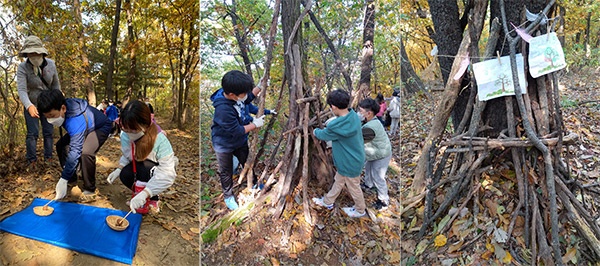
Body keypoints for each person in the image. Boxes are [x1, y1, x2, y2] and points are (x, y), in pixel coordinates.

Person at [37, 89, 112, 202]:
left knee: (85, 152)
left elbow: (75, 150)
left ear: (63, 108)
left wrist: (63, 178)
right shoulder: (63, 111)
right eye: (47, 117)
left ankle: (90, 189)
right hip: (84, 128)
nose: (50, 120)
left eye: (52, 115)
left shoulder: (75, 121)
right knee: (61, 145)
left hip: (100, 127)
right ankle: (71, 178)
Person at [106, 100, 177, 214]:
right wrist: (119, 169)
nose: (129, 133)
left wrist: (146, 192)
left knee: (144, 166)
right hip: (137, 166)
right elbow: (128, 155)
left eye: (133, 130)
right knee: (125, 174)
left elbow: (167, 173)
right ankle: (138, 194)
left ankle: (152, 198)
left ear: (145, 125)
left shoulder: (160, 140)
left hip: (154, 170)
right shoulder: (125, 135)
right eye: (125, 129)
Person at [210, 70, 266, 210]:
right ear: (231, 95)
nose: (246, 96)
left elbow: (247, 98)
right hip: (224, 144)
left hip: (239, 141)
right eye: (243, 93)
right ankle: (228, 196)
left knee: (247, 161)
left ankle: (253, 182)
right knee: (226, 171)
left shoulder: (237, 96)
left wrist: (259, 86)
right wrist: (254, 124)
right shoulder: (223, 109)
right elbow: (236, 130)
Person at [312, 89, 366, 218]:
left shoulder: (337, 127)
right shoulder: (353, 116)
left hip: (349, 162)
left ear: (334, 107)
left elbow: (323, 134)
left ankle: (360, 210)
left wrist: (315, 131)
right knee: (339, 181)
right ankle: (328, 201)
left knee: (354, 187)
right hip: (353, 159)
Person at [17, 35, 61, 166]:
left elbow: (55, 86)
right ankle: (32, 160)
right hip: (32, 103)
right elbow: (22, 90)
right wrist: (29, 105)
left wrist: (57, 104)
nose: (34, 55)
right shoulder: (22, 68)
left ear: (41, 52)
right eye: (30, 53)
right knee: (32, 133)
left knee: (48, 132)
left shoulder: (51, 65)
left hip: (48, 104)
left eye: (36, 52)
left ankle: (49, 158)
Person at [357, 98, 392, 210]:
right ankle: (368, 184)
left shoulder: (370, 128)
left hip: (382, 154)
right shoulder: (371, 121)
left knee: (378, 176)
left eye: (361, 111)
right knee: (368, 168)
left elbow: (357, 139)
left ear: (369, 113)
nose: (359, 113)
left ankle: (383, 200)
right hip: (375, 151)